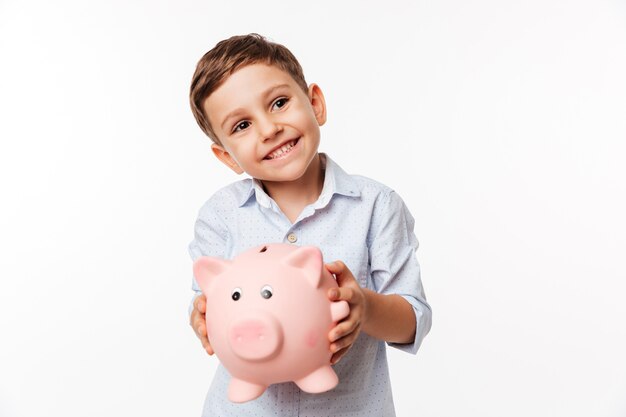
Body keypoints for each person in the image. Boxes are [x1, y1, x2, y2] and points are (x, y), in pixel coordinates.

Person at [187, 33, 431, 417]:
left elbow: (413, 321)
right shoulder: (221, 215)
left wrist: (363, 307)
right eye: (241, 126)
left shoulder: (376, 206)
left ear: (315, 103)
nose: (269, 129)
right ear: (227, 156)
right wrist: (201, 318)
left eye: (279, 103)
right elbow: (206, 305)